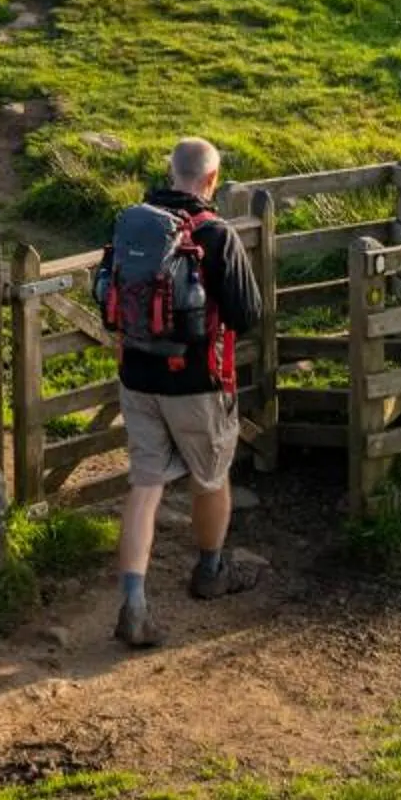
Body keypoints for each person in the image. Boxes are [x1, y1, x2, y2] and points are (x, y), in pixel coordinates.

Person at [101, 136, 265, 648]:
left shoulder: (131, 222)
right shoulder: (215, 234)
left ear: (170, 172)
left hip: (137, 376)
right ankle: (211, 571)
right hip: (197, 383)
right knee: (211, 477)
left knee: (145, 485)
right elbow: (247, 315)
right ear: (212, 180)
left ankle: (133, 602)